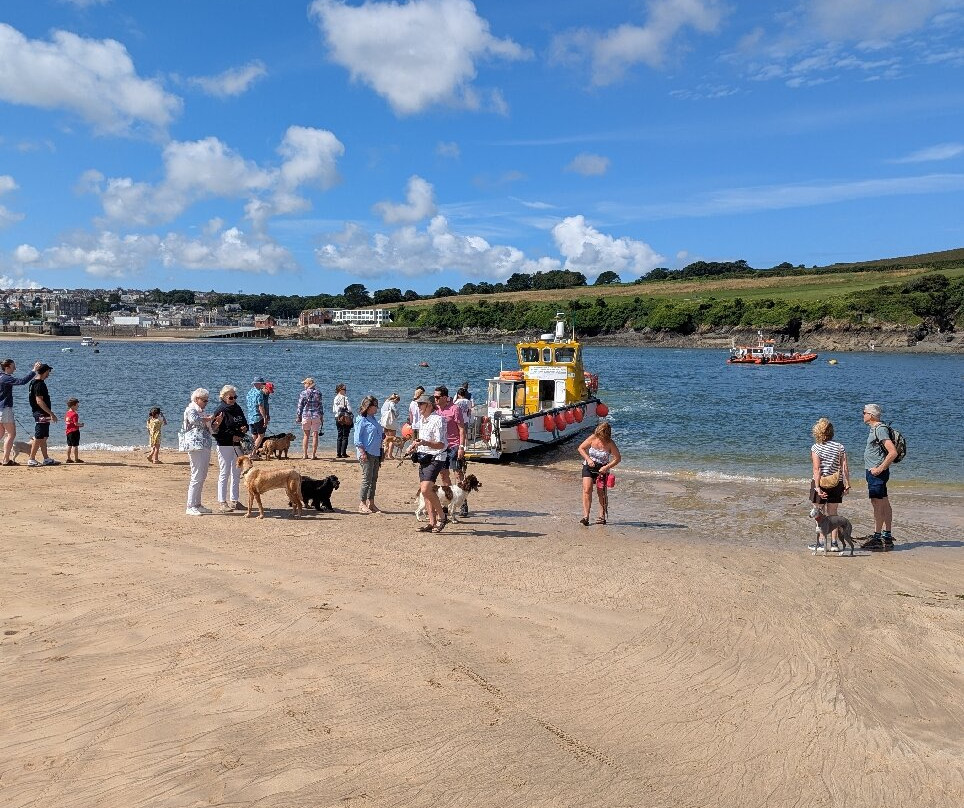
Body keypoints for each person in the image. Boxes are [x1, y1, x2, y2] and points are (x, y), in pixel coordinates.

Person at [408, 393, 448, 532]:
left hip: (436, 457)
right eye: (418, 404)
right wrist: (414, 445)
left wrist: (424, 442)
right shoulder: (422, 420)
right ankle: (432, 522)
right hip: (423, 457)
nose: (418, 406)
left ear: (429, 405)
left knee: (426, 489)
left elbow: (441, 444)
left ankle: (442, 518)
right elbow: (422, 440)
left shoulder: (439, 420)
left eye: (421, 404)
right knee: (426, 492)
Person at [861, 403, 899, 551]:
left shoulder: (880, 429)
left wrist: (879, 469)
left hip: (877, 473)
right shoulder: (877, 429)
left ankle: (877, 537)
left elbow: (893, 452)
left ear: (871, 415)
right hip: (878, 473)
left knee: (877, 504)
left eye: (864, 412)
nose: (862, 415)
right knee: (883, 502)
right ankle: (887, 536)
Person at [809, 417, 850, 551]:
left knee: (819, 514)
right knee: (833, 515)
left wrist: (817, 487)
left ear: (818, 432)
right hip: (836, 483)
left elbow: (817, 469)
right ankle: (834, 543)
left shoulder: (816, 447)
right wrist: (847, 484)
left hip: (821, 482)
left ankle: (821, 543)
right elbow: (844, 467)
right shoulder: (840, 447)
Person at [182, 388, 220, 516]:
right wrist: (208, 419)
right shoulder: (191, 409)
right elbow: (194, 421)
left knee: (202, 475)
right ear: (196, 399)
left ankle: (197, 504)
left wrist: (216, 423)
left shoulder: (201, 412)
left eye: (207, 400)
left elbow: (212, 431)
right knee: (196, 475)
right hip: (195, 446)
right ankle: (190, 505)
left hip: (204, 445)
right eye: (204, 400)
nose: (206, 402)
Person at [212, 385, 249, 512]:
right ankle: (222, 502)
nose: (233, 399)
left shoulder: (237, 408)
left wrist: (244, 429)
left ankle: (235, 500)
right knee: (224, 472)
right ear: (223, 397)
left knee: (236, 472)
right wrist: (231, 436)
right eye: (231, 397)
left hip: (238, 444)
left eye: (235, 397)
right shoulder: (220, 410)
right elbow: (216, 430)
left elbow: (244, 422)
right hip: (224, 444)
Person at [577, 422, 621, 525]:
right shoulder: (593, 437)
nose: (600, 437)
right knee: (587, 489)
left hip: (602, 469)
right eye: (599, 434)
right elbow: (581, 448)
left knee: (601, 493)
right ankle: (586, 516)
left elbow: (618, 458)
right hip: (589, 466)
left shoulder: (610, 443)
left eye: (602, 435)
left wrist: (606, 467)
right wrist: (588, 459)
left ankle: (602, 516)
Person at [433, 385, 467, 516]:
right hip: (442, 446)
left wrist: (461, 447)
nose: (435, 399)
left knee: (458, 473)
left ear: (445, 397)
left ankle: (463, 502)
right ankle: (448, 501)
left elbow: (462, 429)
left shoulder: (454, 409)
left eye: (437, 397)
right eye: (434, 397)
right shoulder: (435, 410)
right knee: (443, 474)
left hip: (454, 445)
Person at [0, 358, 41, 466]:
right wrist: (33, 370)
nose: (15, 368)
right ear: (7, 367)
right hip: (5, 409)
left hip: (1, 409)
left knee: (1, 434)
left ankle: (5, 458)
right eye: (13, 366)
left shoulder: (1, 376)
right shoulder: (5, 378)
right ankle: (6, 459)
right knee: (11, 434)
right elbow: (22, 381)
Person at [354, 395, 384, 514]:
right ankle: (362, 503)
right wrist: (362, 452)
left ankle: (371, 503)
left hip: (376, 452)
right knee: (367, 478)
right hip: (366, 452)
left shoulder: (374, 419)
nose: (377, 408)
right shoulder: (361, 419)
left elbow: (379, 434)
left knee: (374, 478)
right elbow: (357, 438)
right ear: (369, 407)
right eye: (375, 406)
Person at [27, 363, 60, 466]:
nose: (49, 374)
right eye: (48, 372)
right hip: (41, 413)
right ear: (45, 371)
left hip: (42, 413)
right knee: (39, 436)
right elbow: (39, 401)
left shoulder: (34, 382)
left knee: (44, 437)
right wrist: (51, 413)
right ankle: (31, 459)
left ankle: (46, 458)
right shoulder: (39, 384)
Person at [296, 377, 324, 460]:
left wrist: (298, 416)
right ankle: (313, 455)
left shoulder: (303, 393)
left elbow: (300, 406)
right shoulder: (318, 393)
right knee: (315, 435)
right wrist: (322, 416)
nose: (304, 385)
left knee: (306, 435)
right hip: (316, 415)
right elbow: (320, 406)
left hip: (306, 415)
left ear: (308, 384)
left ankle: (305, 454)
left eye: (305, 383)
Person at [246, 377, 269, 458]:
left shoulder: (249, 392)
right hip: (258, 417)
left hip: (250, 417)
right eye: (262, 383)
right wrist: (265, 417)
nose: (263, 385)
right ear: (258, 384)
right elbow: (260, 406)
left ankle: (254, 453)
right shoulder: (259, 393)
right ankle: (252, 453)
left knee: (254, 435)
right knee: (261, 435)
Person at [332, 383, 353, 458]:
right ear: (340, 390)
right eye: (344, 389)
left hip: (338, 417)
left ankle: (338, 453)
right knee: (345, 435)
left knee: (339, 435)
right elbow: (350, 409)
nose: (345, 391)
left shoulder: (335, 398)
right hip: (345, 417)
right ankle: (343, 453)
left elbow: (334, 410)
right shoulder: (345, 398)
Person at [380, 392, 400, 458]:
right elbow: (396, 413)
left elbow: (382, 411)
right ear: (395, 400)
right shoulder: (392, 403)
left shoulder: (385, 402)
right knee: (392, 438)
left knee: (386, 439)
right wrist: (396, 415)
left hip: (384, 423)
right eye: (397, 401)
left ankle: (385, 454)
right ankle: (390, 454)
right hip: (391, 423)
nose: (397, 403)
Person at [64, 398, 84, 463]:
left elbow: (66, 421)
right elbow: (76, 424)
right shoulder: (74, 414)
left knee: (69, 445)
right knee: (75, 445)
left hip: (68, 431)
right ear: (73, 406)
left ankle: (68, 458)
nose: (78, 406)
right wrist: (81, 425)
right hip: (74, 431)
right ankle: (76, 458)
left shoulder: (67, 413)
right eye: (77, 405)